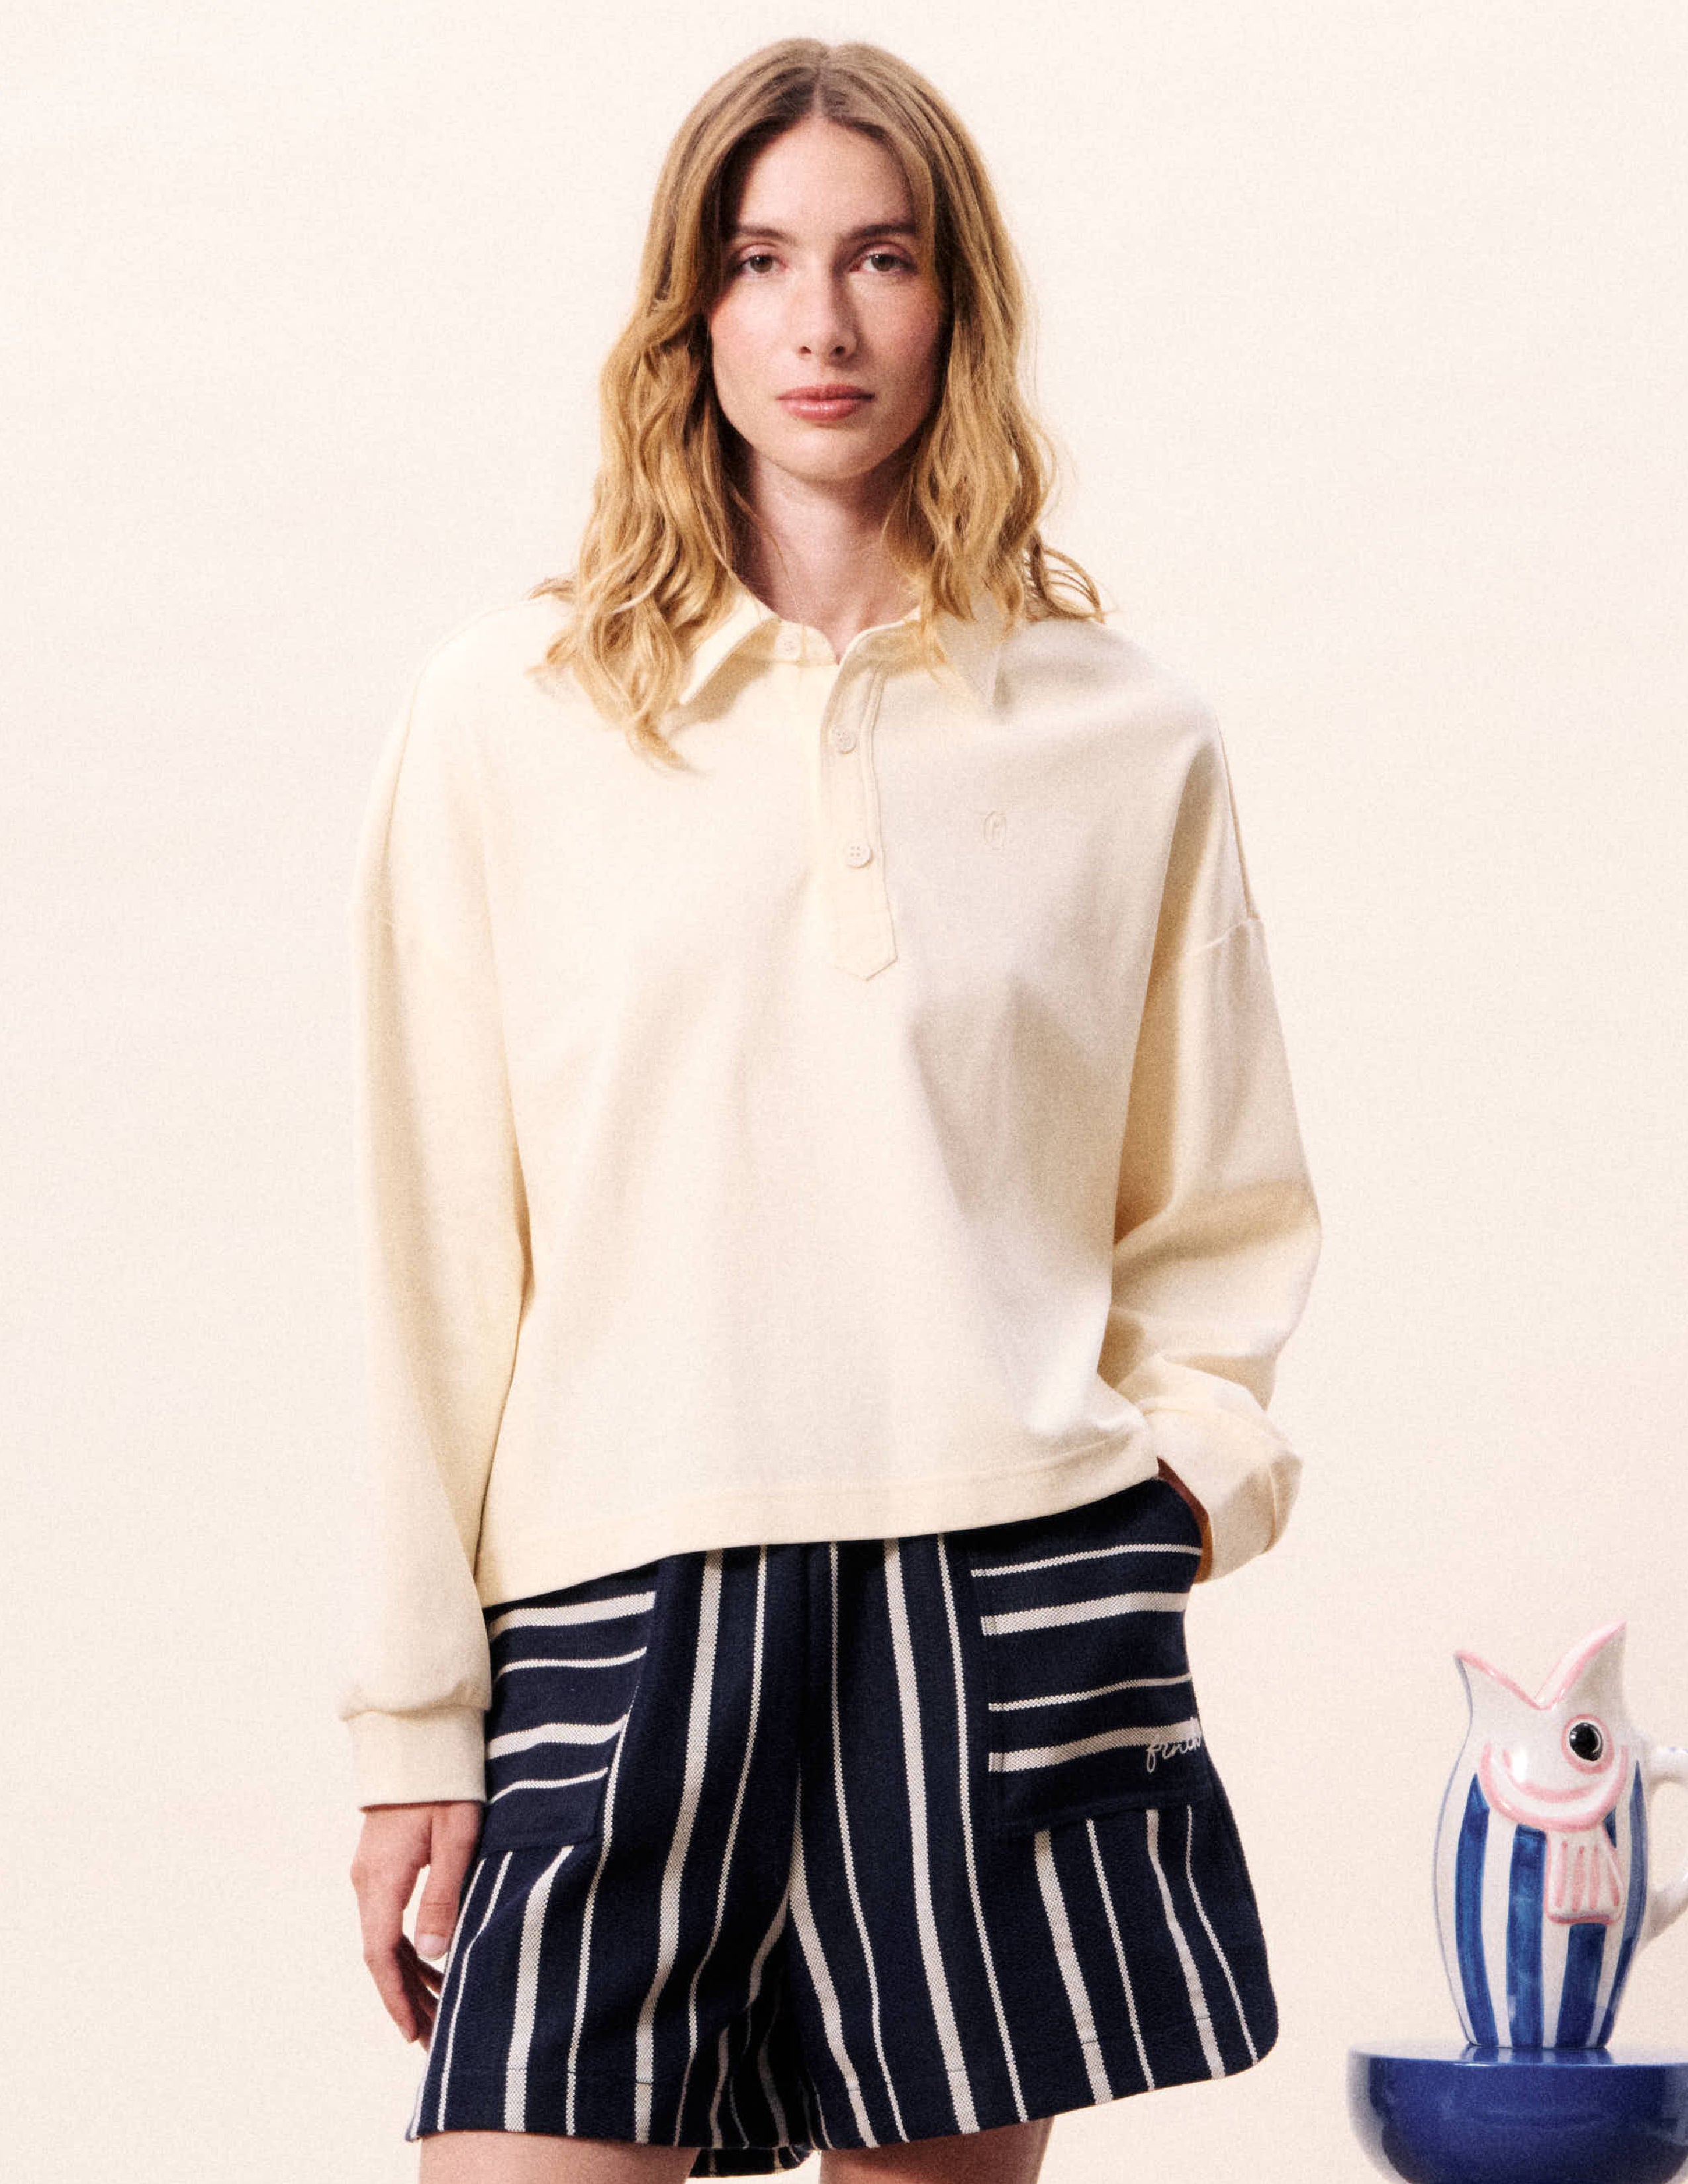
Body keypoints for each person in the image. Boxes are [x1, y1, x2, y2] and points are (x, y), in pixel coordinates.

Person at [342, 36, 1321, 2184]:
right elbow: (435, 1251)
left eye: (881, 258)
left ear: (955, 302)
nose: (822, 322)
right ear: (688, 310)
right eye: (762, 260)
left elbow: (1220, 1218)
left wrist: (1172, 1501)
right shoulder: (507, 716)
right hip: (613, 1603)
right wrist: (418, 1715)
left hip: (991, 1595)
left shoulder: (1124, 734)